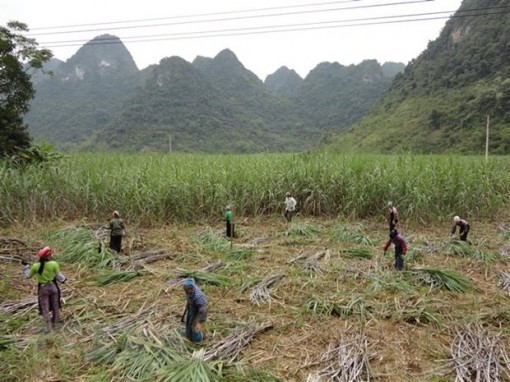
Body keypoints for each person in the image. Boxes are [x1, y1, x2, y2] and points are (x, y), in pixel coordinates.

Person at [22, 247, 66, 333]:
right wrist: (64, 280)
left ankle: (48, 326)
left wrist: (25, 266)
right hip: (53, 287)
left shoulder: (35, 266)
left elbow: (27, 276)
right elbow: (58, 276)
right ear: (49, 255)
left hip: (43, 288)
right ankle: (56, 323)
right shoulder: (54, 264)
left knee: (45, 307)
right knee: (55, 305)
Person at [182, 278, 208, 343]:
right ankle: (189, 336)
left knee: (195, 326)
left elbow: (203, 310)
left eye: (185, 289)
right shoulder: (189, 290)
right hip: (192, 307)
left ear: (190, 289)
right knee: (189, 321)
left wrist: (199, 321)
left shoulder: (198, 296)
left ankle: (197, 341)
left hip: (198, 311)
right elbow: (189, 297)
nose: (184, 290)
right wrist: (188, 304)